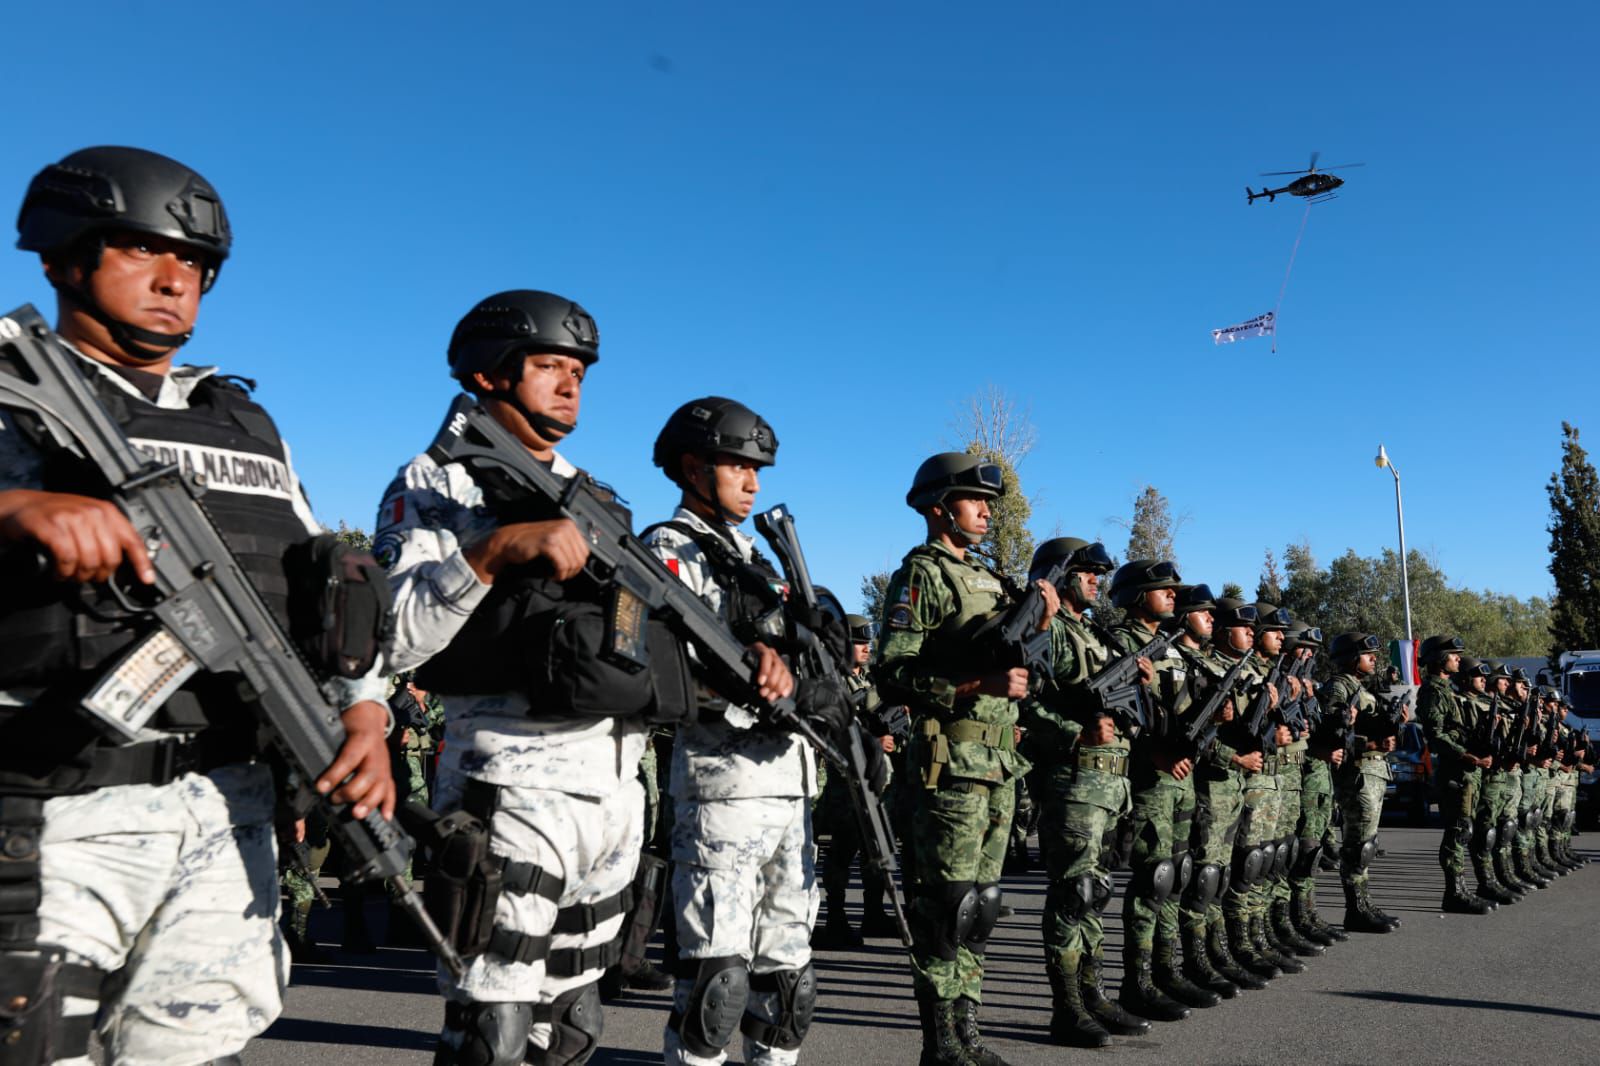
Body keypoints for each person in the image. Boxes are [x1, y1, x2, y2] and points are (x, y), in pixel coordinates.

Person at [0, 146, 394, 1065]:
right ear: (63, 257)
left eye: (197, 266)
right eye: (142, 251)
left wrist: (366, 715)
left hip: (230, 808)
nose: (177, 281)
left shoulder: (243, 422)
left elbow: (322, 581)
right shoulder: (11, 392)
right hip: (54, 811)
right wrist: (18, 507)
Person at [375, 289, 685, 1066]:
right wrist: (490, 551)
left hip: (614, 787)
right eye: (550, 365)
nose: (572, 382)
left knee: (574, 1024)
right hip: (510, 780)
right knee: (494, 1028)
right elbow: (395, 638)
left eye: (579, 368)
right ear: (488, 374)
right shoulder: (434, 480)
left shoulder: (594, 496)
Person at [642, 397, 838, 1066]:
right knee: (716, 982)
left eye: (759, 469)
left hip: (788, 785)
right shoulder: (667, 548)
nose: (754, 482)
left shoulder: (757, 557)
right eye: (739, 466)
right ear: (693, 469)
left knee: (787, 984)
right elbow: (671, 660)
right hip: (722, 787)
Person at [875, 452, 1058, 1066]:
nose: (985, 511)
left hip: (1000, 764)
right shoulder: (922, 576)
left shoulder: (991, 578)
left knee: (980, 907)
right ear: (938, 508)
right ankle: (941, 1044)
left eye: (988, 503)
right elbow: (892, 672)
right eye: (973, 500)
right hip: (950, 764)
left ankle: (968, 1035)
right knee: (946, 906)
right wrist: (975, 688)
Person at [1018, 538, 1146, 1047]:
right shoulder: (1041, 626)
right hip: (1072, 780)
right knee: (1073, 896)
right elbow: (1024, 700)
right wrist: (1073, 734)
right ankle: (1066, 1008)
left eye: (1099, 574)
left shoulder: (1093, 632)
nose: (1097, 580)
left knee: (1095, 894)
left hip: (1109, 783)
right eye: (1087, 572)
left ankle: (1093, 995)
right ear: (1061, 575)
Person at [1105, 560, 1218, 1021]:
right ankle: (1138, 982)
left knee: (1177, 874)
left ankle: (1166, 970)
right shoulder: (1119, 642)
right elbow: (1112, 708)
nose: (1173, 595)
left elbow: (1178, 711)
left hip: (1182, 775)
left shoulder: (1170, 647)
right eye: (1162, 589)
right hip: (1151, 777)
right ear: (1135, 596)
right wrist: (1151, 752)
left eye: (1174, 590)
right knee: (1153, 880)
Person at [813, 614, 898, 948]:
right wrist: (871, 744)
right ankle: (835, 918)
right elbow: (825, 732)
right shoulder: (830, 681)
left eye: (867, 642)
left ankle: (873, 913)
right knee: (841, 853)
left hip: (874, 780)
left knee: (875, 848)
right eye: (859, 642)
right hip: (844, 781)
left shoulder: (866, 680)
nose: (866, 648)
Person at [1321, 633, 1402, 932]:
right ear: (1352, 657)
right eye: (1368, 654)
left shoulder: (1362, 690)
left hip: (1374, 771)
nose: (1374, 659)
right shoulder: (1339, 687)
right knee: (1358, 845)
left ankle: (1363, 903)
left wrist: (1390, 732)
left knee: (1366, 843)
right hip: (1356, 773)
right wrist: (1369, 743)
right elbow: (1332, 734)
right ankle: (1355, 909)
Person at [1417, 638, 1494, 914]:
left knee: (1464, 829)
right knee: (1458, 831)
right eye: (1454, 655)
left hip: (1465, 770)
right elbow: (1435, 735)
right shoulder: (1433, 691)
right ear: (1439, 659)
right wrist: (1465, 754)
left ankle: (1461, 889)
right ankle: (1454, 892)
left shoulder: (1446, 690)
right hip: (1455, 770)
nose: (1459, 660)